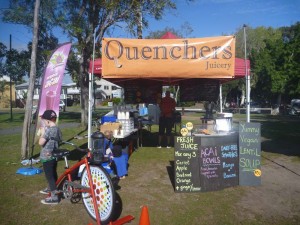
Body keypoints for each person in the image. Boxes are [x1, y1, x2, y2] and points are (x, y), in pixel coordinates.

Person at [38, 110, 62, 205]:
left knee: (49, 176)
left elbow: (41, 143)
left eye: (44, 121)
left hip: (47, 156)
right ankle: (52, 188)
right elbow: (60, 139)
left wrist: (43, 132)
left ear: (48, 121)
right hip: (54, 155)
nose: (43, 123)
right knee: (53, 173)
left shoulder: (48, 130)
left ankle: (54, 197)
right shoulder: (57, 129)